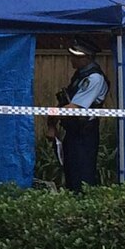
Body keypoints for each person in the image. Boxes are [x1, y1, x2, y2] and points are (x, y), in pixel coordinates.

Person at [47, 37, 109, 192]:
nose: (72, 59)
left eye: (76, 56)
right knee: (71, 172)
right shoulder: (79, 76)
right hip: (73, 131)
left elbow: (75, 107)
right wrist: (52, 124)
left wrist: (53, 117)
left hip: (84, 133)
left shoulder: (94, 78)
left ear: (87, 57)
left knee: (82, 175)